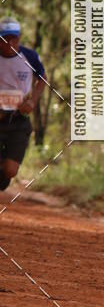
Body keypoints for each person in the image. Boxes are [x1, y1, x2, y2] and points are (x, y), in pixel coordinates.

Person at [0, 17, 46, 191]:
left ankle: (5, 164)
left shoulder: (30, 57)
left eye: (14, 38)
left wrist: (33, 100)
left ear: (19, 38)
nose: (10, 42)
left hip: (18, 121)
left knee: (10, 171)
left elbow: (42, 79)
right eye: (5, 38)